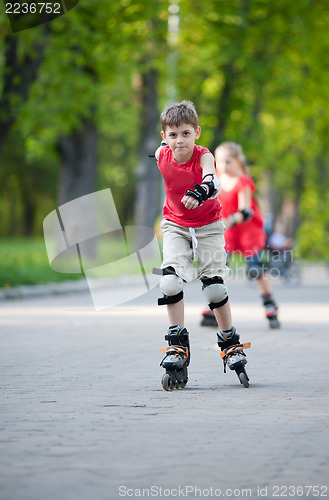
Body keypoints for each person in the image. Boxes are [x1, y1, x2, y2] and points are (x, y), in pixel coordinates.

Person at [154, 102, 250, 390]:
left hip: (208, 225)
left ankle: (230, 342)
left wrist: (203, 189)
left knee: (215, 288)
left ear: (197, 132)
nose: (179, 141)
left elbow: (213, 178)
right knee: (169, 283)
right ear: (164, 136)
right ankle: (177, 343)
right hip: (175, 225)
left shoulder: (204, 155)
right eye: (173, 135)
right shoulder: (162, 154)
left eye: (185, 133)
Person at [201, 141, 280, 329]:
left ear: (237, 161)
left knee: (255, 268)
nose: (223, 166)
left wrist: (229, 221)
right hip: (227, 231)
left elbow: (246, 211)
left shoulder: (243, 181)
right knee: (220, 267)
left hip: (247, 230)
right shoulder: (216, 179)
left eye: (228, 161)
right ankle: (214, 305)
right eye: (219, 162)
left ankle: (269, 303)